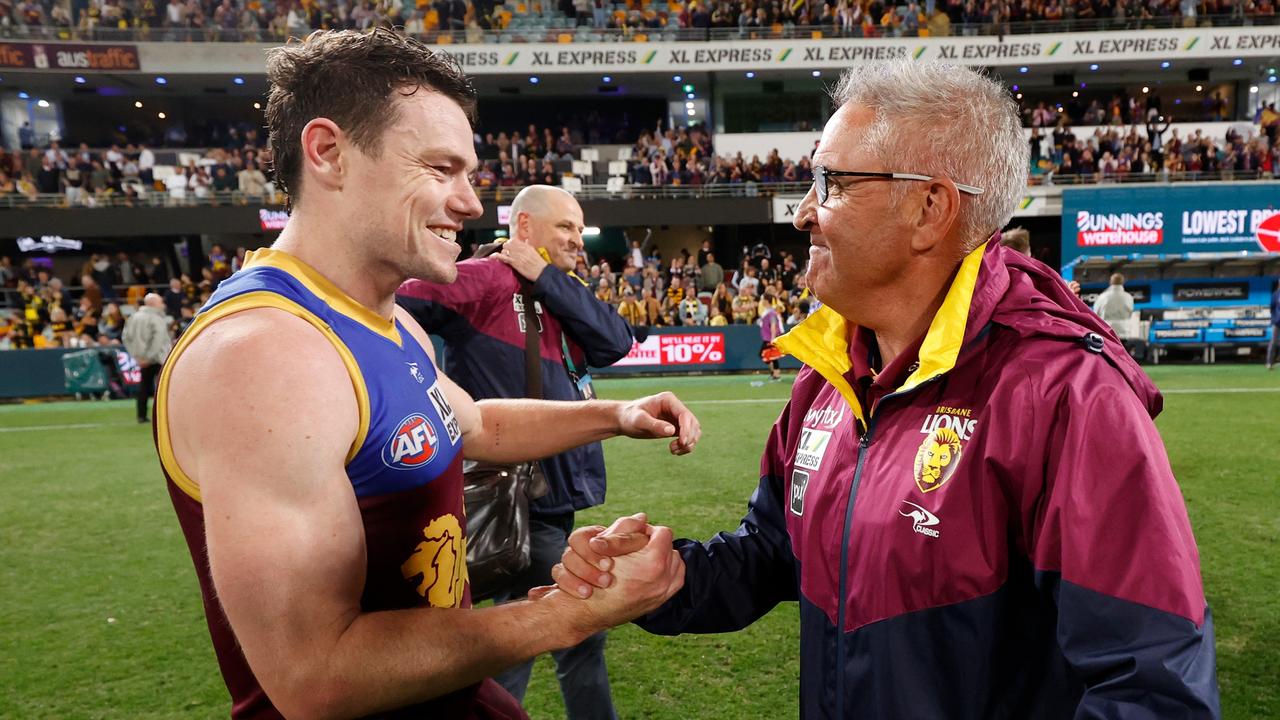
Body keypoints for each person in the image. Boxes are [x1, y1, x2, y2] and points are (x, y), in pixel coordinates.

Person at [550, 59, 1219, 718]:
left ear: (930, 208)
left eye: (830, 181)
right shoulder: (828, 374)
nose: (803, 213)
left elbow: (1153, 691)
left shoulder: (1066, 397)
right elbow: (774, 549)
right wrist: (672, 581)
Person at [153, 29, 691, 720]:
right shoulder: (264, 355)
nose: (471, 203)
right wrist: (569, 612)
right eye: (441, 169)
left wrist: (612, 416)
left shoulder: (385, 317)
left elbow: (475, 423)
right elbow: (316, 676)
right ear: (328, 153)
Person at [397, 184, 636, 719]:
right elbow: (393, 300)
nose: (578, 239)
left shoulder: (559, 290)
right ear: (523, 228)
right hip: (516, 496)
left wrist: (546, 275)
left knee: (529, 628)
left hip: (552, 493)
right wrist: (421, 381)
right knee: (562, 629)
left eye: (579, 229)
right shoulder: (485, 280)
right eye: (565, 228)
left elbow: (616, 341)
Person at [122, 293, 172, 423]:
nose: (163, 305)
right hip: (158, 358)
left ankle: (141, 415)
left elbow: (125, 338)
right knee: (164, 387)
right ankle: (164, 416)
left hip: (141, 359)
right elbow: (158, 341)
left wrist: (137, 357)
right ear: (154, 304)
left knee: (144, 387)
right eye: (161, 302)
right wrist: (149, 357)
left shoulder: (134, 317)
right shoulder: (156, 318)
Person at [1267, 280, 1279, 371]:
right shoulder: (1275, 295)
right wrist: (1275, 317)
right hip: (1276, 321)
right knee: (1273, 342)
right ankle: (1269, 363)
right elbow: (1271, 308)